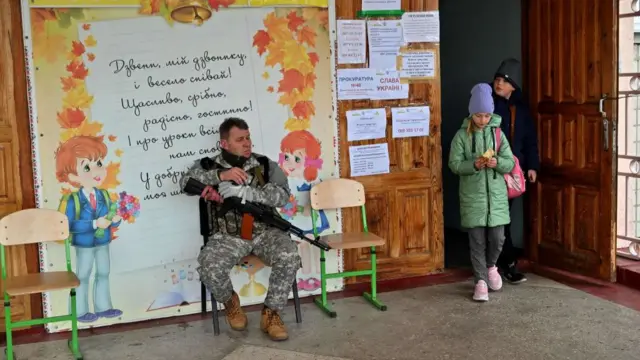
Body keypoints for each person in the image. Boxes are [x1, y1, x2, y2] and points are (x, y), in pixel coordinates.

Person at [179, 117, 301, 341]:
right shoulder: (208, 166)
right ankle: (230, 302)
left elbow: (283, 196)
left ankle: (271, 313)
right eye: (240, 139)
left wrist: (251, 194)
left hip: (265, 231)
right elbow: (184, 182)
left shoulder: (264, 164)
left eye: (248, 138)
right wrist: (220, 176)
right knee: (209, 264)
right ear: (224, 144)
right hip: (229, 235)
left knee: (290, 255)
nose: (247, 143)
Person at [449, 83, 515, 302]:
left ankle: (491, 267)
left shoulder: (498, 134)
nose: (483, 120)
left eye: (487, 115)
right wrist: (474, 165)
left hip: (496, 198)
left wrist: (496, 162)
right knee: (476, 241)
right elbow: (454, 164)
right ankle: (480, 282)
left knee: (498, 238)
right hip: (472, 197)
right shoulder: (461, 136)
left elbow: (509, 162)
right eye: (478, 115)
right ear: (471, 113)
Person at [55, 135, 123, 323]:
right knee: (82, 276)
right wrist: (93, 224)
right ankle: (79, 311)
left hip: (102, 242)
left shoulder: (104, 194)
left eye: (99, 163)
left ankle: (104, 307)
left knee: (103, 272)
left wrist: (115, 220)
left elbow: (109, 215)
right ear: (73, 176)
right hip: (84, 244)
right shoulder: (72, 200)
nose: (96, 171)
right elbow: (67, 225)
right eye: (87, 167)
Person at [491, 58, 540, 284]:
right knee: (494, 219)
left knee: (504, 218)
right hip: (489, 169)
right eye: (497, 79)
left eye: (505, 81)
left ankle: (505, 263)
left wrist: (532, 165)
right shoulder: (487, 106)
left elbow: (530, 140)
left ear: (514, 86)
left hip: (512, 172)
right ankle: (500, 264)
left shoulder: (521, 110)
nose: (499, 84)